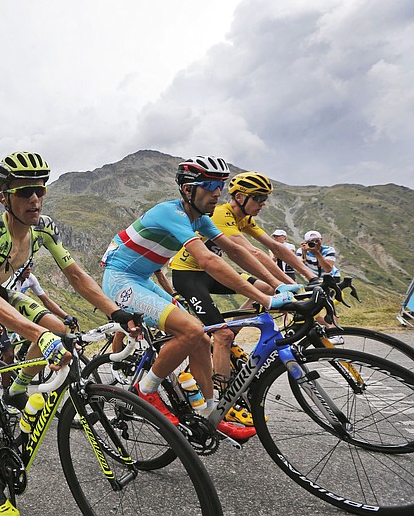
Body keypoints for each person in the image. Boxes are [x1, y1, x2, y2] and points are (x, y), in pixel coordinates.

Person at [0, 152, 140, 516]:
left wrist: (117, 311)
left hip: (1, 294)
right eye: (25, 192)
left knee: (60, 329)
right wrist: (40, 336)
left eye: (40, 190)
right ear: (4, 196)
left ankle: (21, 385)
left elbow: (76, 275)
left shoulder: (44, 226)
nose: (35, 199)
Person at [101, 157, 294, 440]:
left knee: (203, 337)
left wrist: (279, 285)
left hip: (141, 279)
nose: (218, 192)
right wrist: (263, 299)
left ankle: (209, 415)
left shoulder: (200, 219)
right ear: (189, 189)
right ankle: (146, 390)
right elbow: (206, 260)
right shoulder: (171, 213)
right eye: (211, 186)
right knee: (190, 329)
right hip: (120, 279)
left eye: (221, 186)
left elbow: (235, 251)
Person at [168, 170, 313, 426]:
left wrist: (309, 278)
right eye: (258, 198)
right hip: (188, 274)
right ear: (240, 197)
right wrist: (285, 284)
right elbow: (251, 252)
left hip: (210, 272)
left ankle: (231, 329)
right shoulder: (222, 213)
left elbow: (276, 247)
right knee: (222, 336)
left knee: (265, 292)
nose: (262, 204)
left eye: (265, 198)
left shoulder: (244, 217)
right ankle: (225, 400)